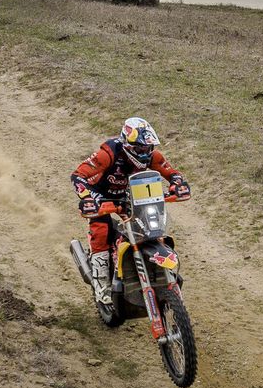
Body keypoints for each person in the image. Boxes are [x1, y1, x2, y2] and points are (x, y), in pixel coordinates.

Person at [71, 117, 191, 303]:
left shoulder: (153, 156)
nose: (145, 153)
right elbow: (78, 175)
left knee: (150, 228)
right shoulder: (109, 153)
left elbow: (173, 173)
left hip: (131, 197)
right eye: (140, 149)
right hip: (102, 196)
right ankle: (101, 285)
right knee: (102, 230)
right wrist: (87, 198)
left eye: (148, 148)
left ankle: (156, 273)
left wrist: (178, 184)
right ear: (127, 144)